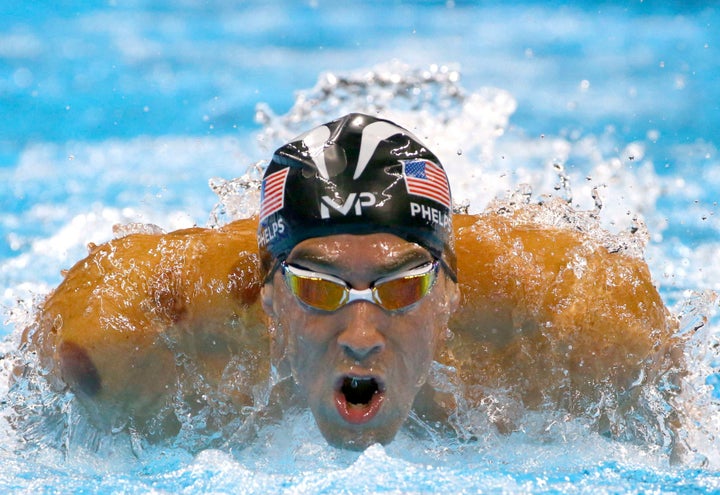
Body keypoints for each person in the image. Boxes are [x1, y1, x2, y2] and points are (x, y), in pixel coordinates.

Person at [17, 113, 682, 452]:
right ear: (268, 294)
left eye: (400, 287)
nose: (361, 337)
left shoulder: (581, 329)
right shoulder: (123, 344)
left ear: (450, 292)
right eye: (320, 287)